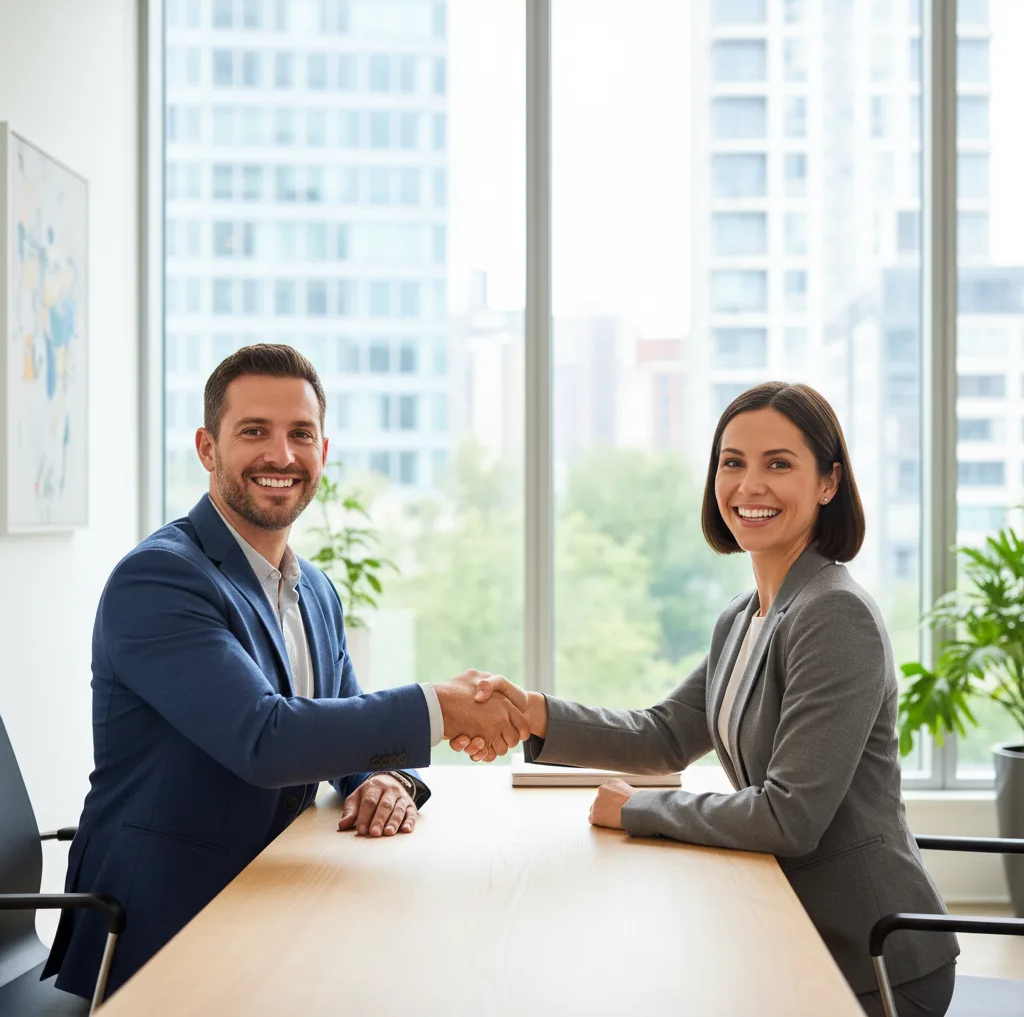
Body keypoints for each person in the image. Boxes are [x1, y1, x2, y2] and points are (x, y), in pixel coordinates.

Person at [44, 344, 527, 1001]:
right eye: (254, 431)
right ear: (207, 448)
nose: (282, 455)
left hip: (275, 894)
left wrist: (382, 778)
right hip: (164, 922)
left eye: (301, 434)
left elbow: (340, 722)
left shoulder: (314, 589)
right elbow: (265, 739)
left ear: (322, 452)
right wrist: (443, 707)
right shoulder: (160, 579)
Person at [458, 382, 959, 1016]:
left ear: (829, 482)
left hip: (869, 961)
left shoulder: (835, 616)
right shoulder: (746, 616)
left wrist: (639, 809)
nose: (750, 485)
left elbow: (789, 816)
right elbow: (665, 734)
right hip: (784, 924)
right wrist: (532, 711)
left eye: (779, 464)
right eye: (733, 462)